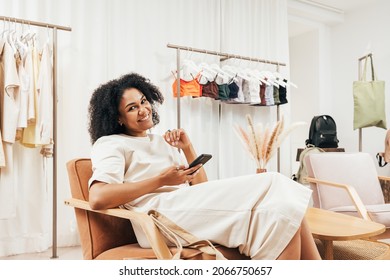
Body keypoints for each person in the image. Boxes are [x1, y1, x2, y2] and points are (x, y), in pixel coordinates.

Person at [87, 72, 321, 260]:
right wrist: (160, 181)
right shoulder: (110, 144)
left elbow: (201, 187)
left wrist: (187, 148)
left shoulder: (162, 142)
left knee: (285, 204)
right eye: (132, 108)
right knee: (275, 182)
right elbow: (98, 197)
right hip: (158, 218)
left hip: (185, 208)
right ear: (117, 118)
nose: (143, 109)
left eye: (144, 101)